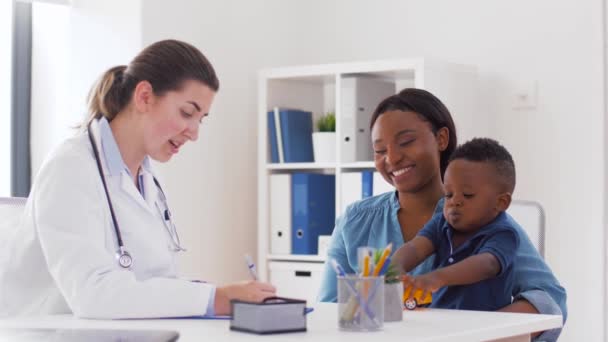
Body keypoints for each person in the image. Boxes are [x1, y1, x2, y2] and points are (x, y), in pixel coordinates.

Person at [0, 39, 275, 318]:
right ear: (144, 96)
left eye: (200, 119)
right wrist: (216, 299)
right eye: (187, 113)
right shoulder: (70, 168)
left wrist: (218, 295)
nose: (194, 133)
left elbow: (150, 281)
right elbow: (93, 294)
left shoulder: (147, 178)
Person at [317, 88, 567, 341]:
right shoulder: (356, 220)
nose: (391, 158)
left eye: (406, 142)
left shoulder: (482, 220)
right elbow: (327, 309)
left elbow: (550, 300)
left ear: (441, 138)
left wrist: (484, 333)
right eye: (380, 150)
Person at [393, 137, 519, 311]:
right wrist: (395, 267)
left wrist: (437, 278)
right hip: (441, 322)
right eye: (449, 194)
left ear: (501, 202)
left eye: (467, 195)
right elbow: (415, 248)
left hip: (482, 328)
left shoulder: (503, 233)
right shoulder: (441, 223)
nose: (454, 202)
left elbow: (486, 265)